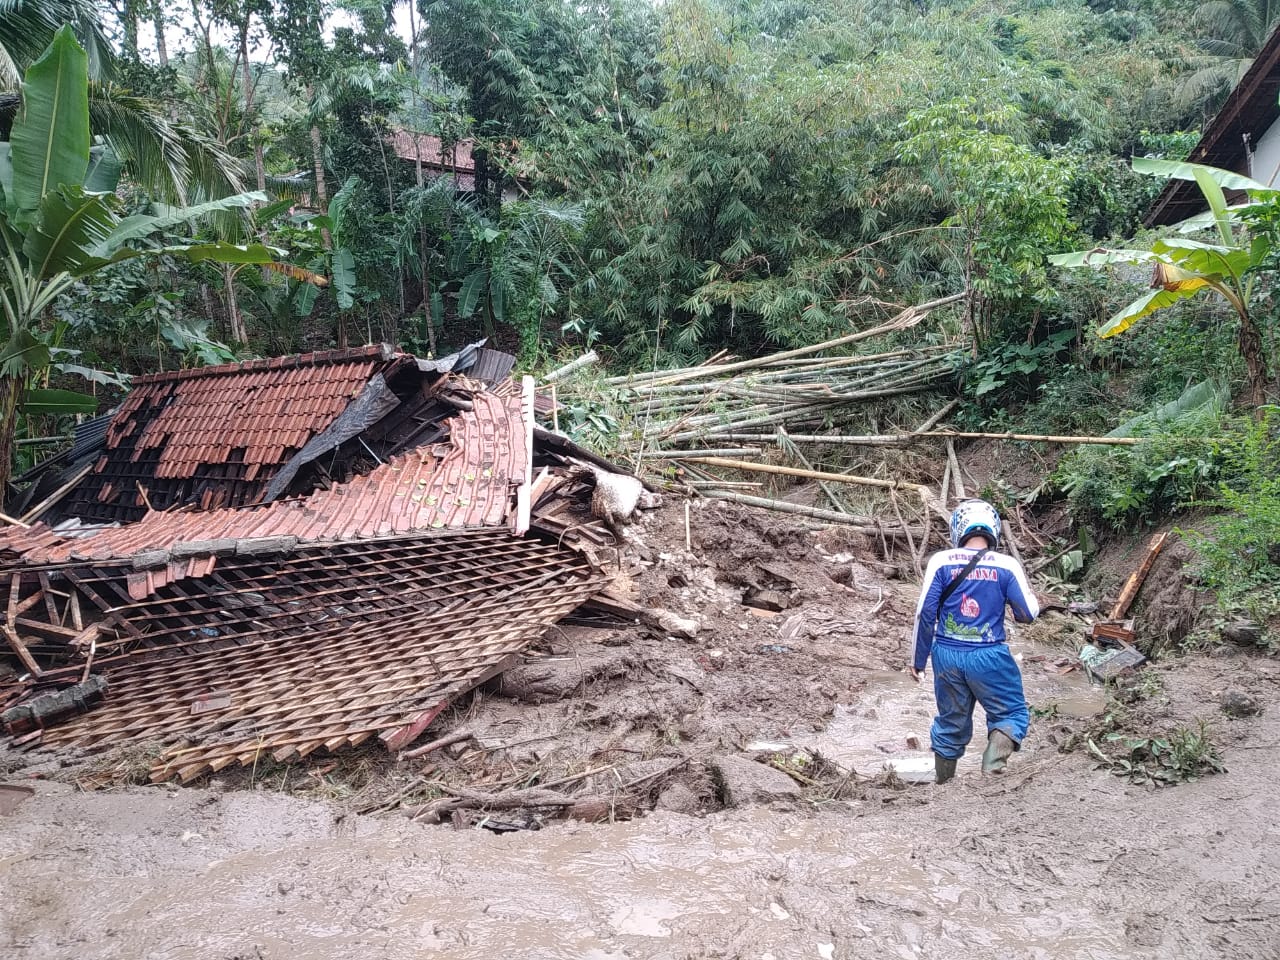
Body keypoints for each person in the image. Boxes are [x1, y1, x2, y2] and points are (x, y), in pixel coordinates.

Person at [909, 499, 1039, 784]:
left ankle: (944, 786)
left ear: (958, 530)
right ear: (993, 530)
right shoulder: (1007, 565)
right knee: (1011, 713)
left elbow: (925, 613)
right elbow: (1027, 614)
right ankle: (991, 772)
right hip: (989, 654)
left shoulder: (941, 561)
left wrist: (918, 661)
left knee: (950, 722)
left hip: (946, 655)